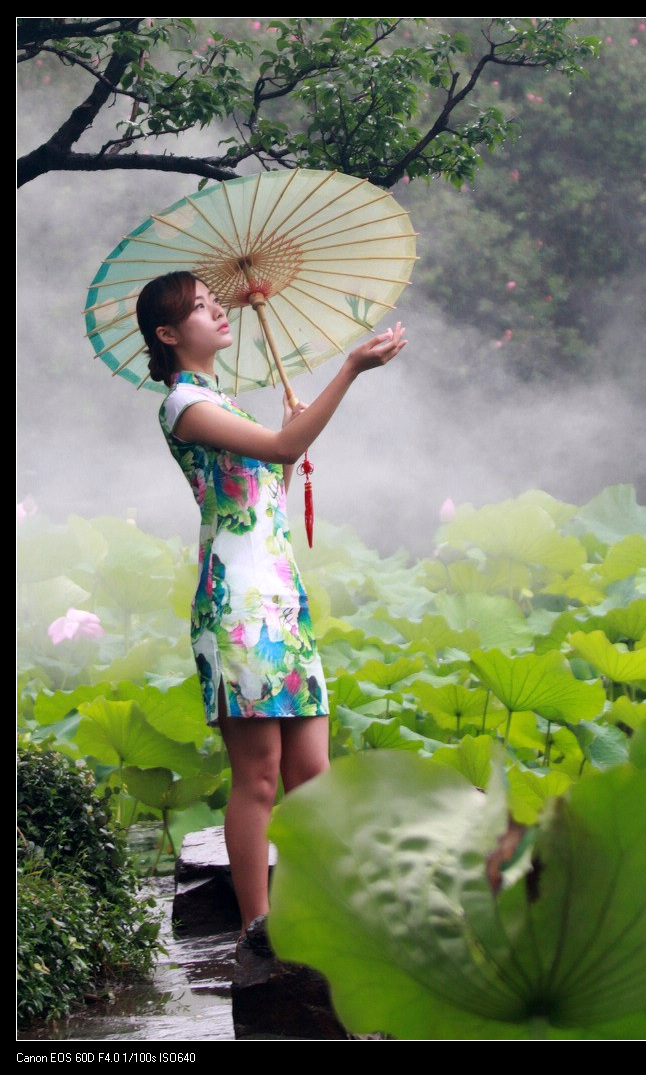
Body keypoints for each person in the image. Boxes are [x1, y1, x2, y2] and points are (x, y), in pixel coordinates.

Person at [135, 270, 407, 958]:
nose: (217, 311)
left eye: (213, 301)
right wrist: (348, 369)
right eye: (200, 307)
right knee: (257, 776)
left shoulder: (224, 402)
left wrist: (290, 432)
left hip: (281, 600)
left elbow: (269, 490)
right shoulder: (183, 405)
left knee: (311, 773)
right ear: (169, 334)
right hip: (236, 607)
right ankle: (258, 932)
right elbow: (282, 452)